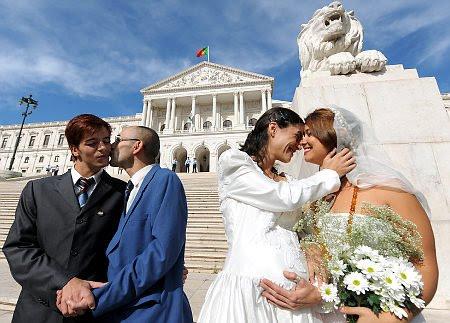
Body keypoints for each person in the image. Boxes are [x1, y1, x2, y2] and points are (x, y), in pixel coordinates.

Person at [261, 107, 438, 322]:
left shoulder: (390, 191)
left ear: (334, 135)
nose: (301, 142)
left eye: (309, 133)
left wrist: (391, 316)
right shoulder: (313, 203)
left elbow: (424, 265)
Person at [198, 107, 356, 322]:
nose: (301, 144)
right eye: (297, 135)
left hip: (295, 298)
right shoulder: (235, 163)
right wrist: (329, 175)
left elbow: (304, 227)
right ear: (273, 129)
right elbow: (280, 197)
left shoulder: (290, 181)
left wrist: (312, 250)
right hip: (250, 292)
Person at [61, 126, 193, 322]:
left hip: (150, 309)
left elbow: (161, 253)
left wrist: (101, 297)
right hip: (125, 305)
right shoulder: (128, 190)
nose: (110, 145)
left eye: (117, 139)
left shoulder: (165, 179)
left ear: (136, 146)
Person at [3, 114, 126, 323]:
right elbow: (18, 248)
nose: (103, 148)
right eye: (92, 142)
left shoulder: (122, 193)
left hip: (92, 309)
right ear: (74, 149)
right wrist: (65, 282)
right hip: (39, 310)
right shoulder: (38, 190)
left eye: (106, 140)